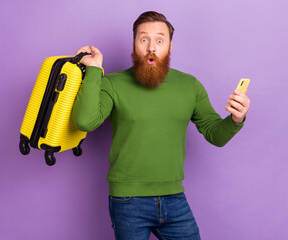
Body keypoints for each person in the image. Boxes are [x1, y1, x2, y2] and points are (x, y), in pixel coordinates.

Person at [72, 11, 250, 240]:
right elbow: (85, 121)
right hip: (128, 202)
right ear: (134, 45)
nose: (151, 47)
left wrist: (236, 118)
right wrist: (94, 69)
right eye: (143, 39)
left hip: (175, 199)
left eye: (159, 40)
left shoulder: (190, 85)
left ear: (170, 46)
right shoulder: (112, 83)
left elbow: (216, 135)